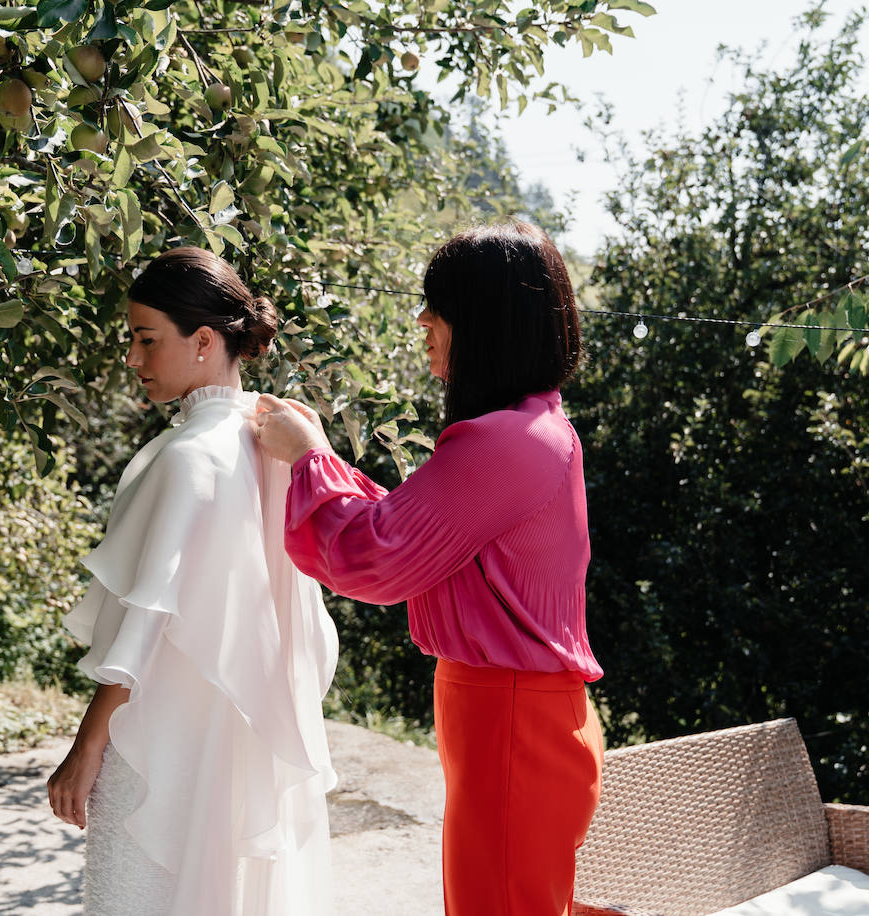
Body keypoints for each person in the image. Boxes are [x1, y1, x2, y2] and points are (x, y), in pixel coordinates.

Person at [250, 220, 604, 916]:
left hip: (509, 721)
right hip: (511, 717)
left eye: (437, 305)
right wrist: (324, 464)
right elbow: (414, 529)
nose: (422, 320)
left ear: (484, 321)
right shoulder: (532, 427)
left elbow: (375, 556)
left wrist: (310, 460)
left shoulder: (509, 440)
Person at [48, 247, 338, 916]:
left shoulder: (188, 455)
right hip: (225, 755)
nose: (132, 359)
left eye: (146, 339)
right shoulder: (269, 440)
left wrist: (85, 748)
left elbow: (142, 623)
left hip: (154, 747)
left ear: (204, 341)